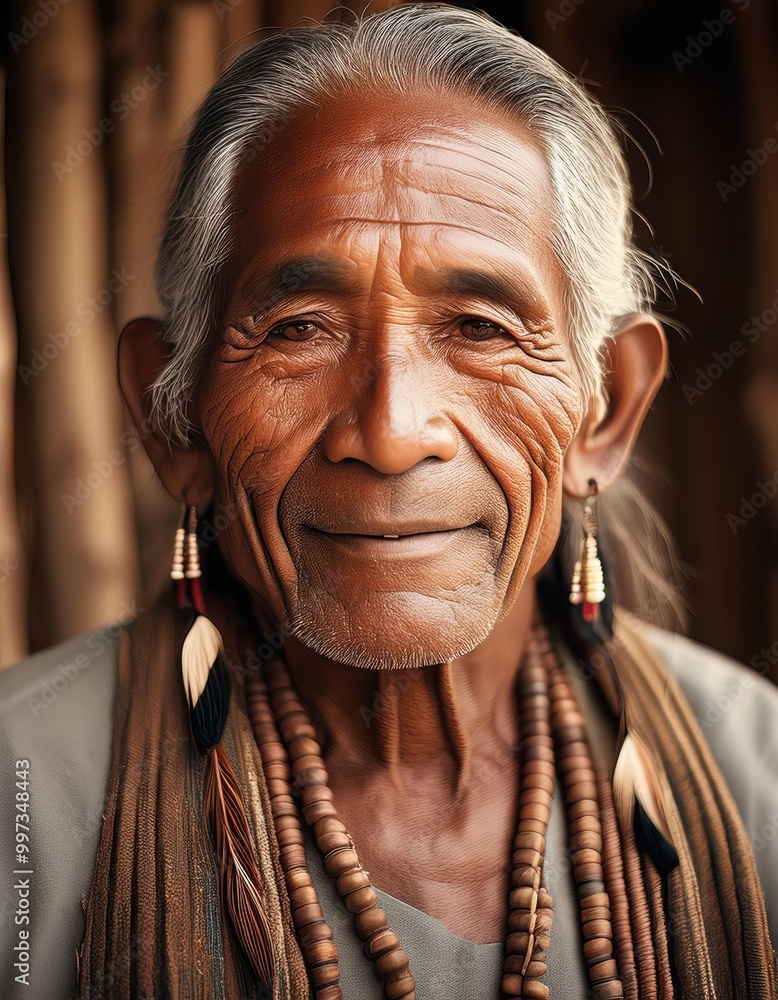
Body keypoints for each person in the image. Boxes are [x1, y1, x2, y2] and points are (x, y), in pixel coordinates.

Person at [1, 5, 776, 999]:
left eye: (480, 326)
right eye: (298, 328)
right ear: (173, 419)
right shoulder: (23, 798)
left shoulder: (753, 783)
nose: (390, 428)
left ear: (607, 411)